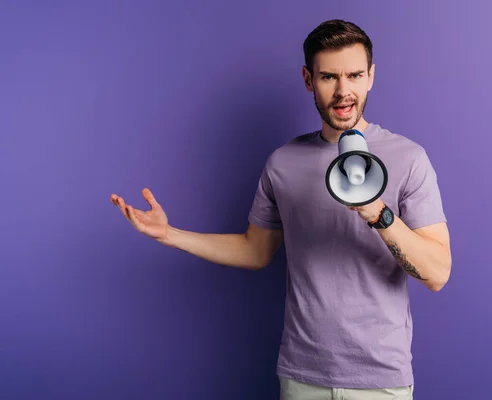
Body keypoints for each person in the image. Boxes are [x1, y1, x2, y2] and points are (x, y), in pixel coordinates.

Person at [111, 19, 451, 400]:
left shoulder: (409, 158)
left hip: (381, 380)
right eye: (328, 77)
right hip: (303, 376)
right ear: (309, 80)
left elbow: (437, 273)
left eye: (355, 75)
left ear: (371, 76)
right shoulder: (283, 163)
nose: (343, 91)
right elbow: (255, 250)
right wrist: (170, 235)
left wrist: (379, 214)